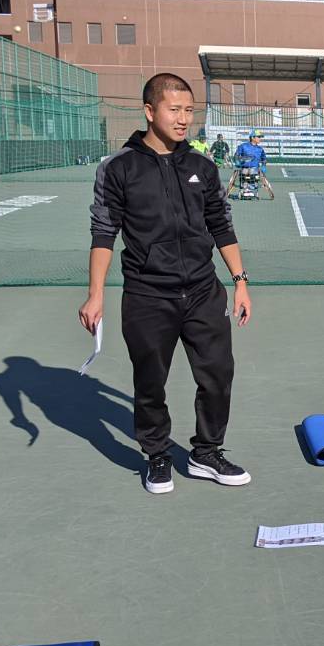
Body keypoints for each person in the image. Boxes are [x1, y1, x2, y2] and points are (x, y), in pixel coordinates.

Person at [78, 72, 254, 496]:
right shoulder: (119, 167)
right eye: (174, 110)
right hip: (147, 295)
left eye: (189, 110)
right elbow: (104, 231)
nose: (183, 119)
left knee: (218, 374)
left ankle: (206, 452)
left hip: (202, 291)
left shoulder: (201, 166)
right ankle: (157, 455)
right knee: (150, 381)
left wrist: (240, 281)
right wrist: (95, 294)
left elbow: (221, 224)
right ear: (149, 111)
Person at [229, 131, 274, 200]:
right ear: (252, 137)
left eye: (260, 137)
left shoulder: (260, 149)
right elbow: (236, 155)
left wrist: (264, 165)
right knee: (246, 171)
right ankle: (245, 189)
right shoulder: (243, 146)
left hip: (254, 169)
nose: (260, 139)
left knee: (252, 171)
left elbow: (264, 159)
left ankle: (250, 189)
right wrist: (237, 162)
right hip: (244, 168)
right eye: (258, 137)